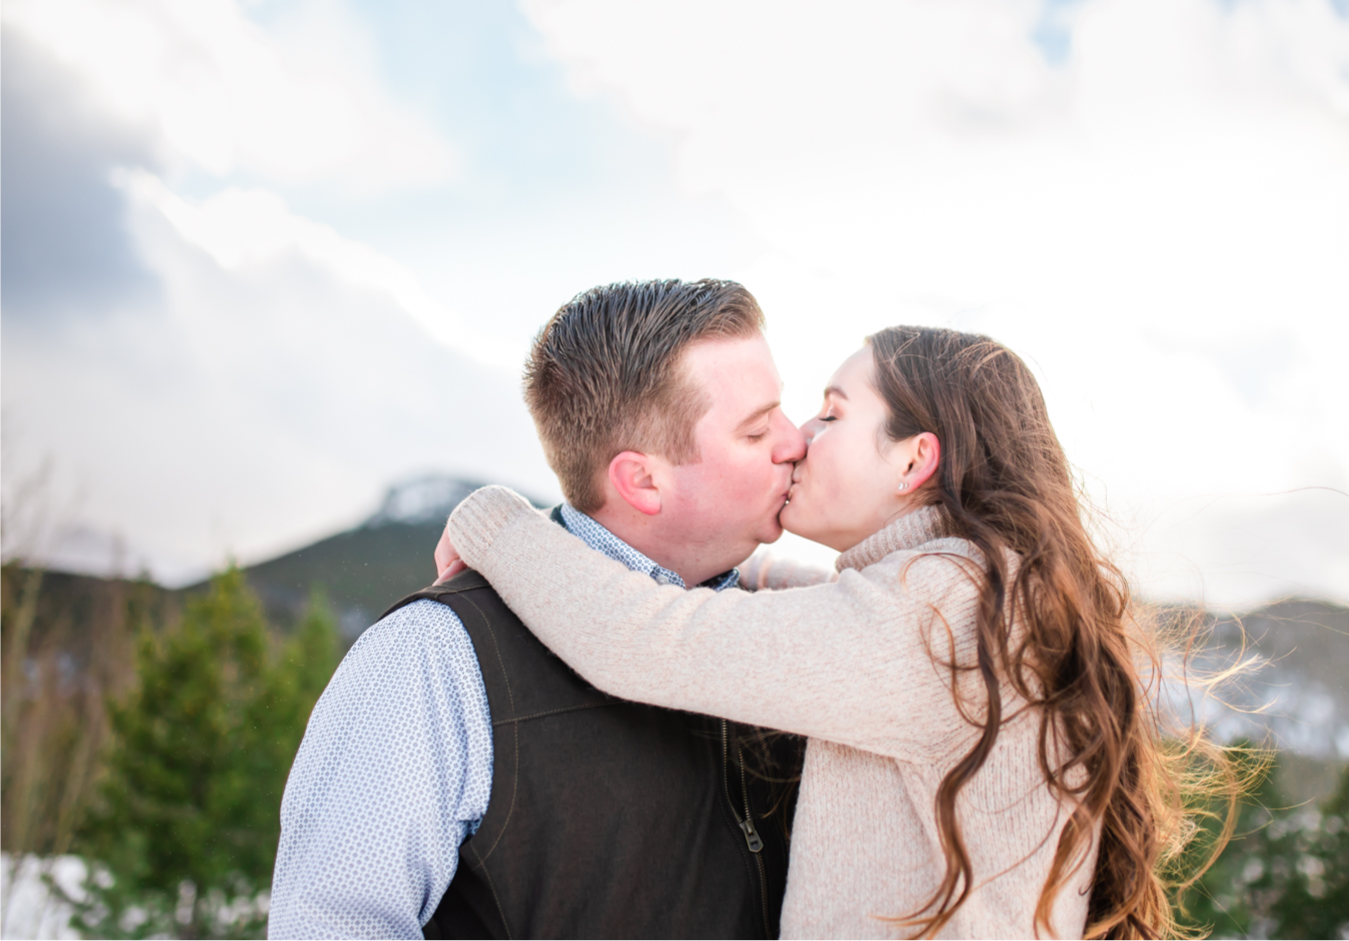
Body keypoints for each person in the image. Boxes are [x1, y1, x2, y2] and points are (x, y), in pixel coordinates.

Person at [438, 326, 1200, 939]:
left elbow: (645, 641)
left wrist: (495, 523)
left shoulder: (939, 610)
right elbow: (828, 621)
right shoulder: (984, 594)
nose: (802, 435)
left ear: (913, 460)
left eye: (834, 413)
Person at [269, 279, 820, 939]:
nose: (797, 441)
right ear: (641, 480)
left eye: (784, 410)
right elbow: (334, 925)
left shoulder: (801, 632)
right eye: (758, 429)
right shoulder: (436, 656)